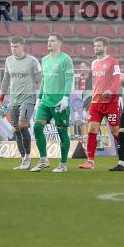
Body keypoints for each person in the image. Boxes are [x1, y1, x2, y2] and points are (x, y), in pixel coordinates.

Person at [30, 33, 74, 173]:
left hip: (60, 102)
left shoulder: (65, 59)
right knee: (37, 127)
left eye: (52, 41)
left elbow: (68, 80)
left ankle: (63, 165)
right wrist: (39, 98)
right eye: (48, 41)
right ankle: (43, 160)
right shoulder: (44, 60)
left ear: (60, 43)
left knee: (62, 132)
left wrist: (66, 98)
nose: (49, 43)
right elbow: (44, 80)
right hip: (45, 102)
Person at [0, 36, 42, 170]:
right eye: (12, 46)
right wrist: (1, 98)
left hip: (28, 99)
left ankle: (28, 157)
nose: (14, 49)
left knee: (23, 126)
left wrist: (41, 97)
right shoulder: (8, 60)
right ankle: (23, 159)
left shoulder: (32, 61)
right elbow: (5, 79)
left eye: (16, 46)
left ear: (23, 46)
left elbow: (40, 80)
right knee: (16, 129)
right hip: (14, 100)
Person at [78, 37, 122, 169]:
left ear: (105, 46)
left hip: (110, 102)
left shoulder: (113, 61)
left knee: (115, 131)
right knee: (92, 129)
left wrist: (111, 90)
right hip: (96, 102)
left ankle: (123, 156)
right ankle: (90, 162)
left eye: (99, 46)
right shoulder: (93, 63)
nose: (96, 48)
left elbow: (117, 78)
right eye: (95, 46)